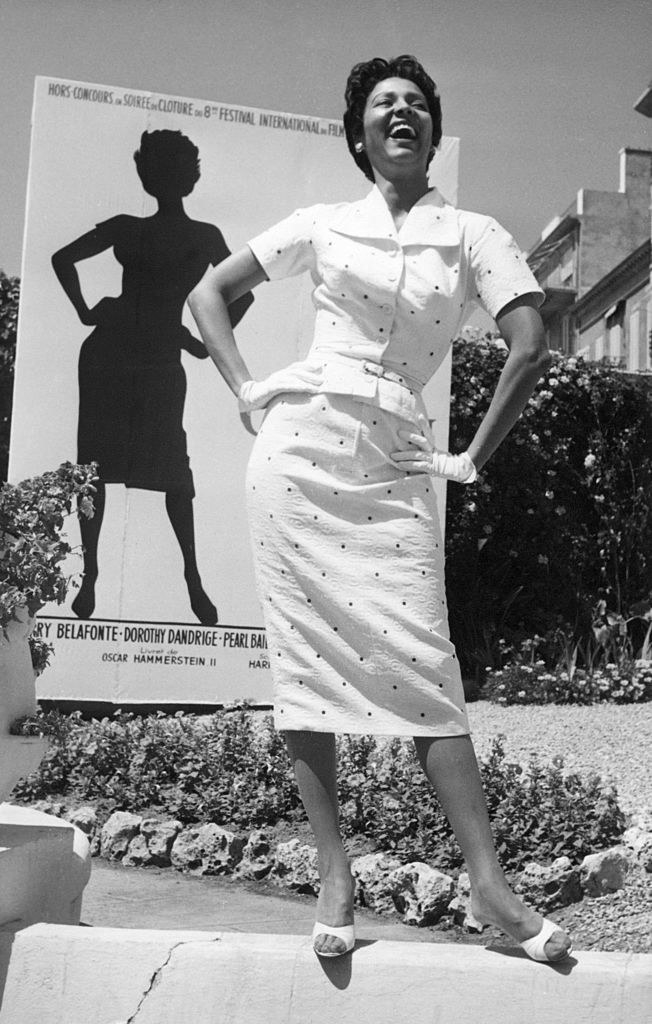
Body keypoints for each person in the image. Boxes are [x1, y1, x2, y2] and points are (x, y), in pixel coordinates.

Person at [188, 55, 572, 962]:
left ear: (433, 130)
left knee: (425, 666)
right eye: (381, 105)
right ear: (358, 133)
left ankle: (486, 883)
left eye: (415, 105)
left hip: (397, 460)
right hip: (296, 454)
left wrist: (468, 457)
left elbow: (530, 342)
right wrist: (249, 393)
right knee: (302, 667)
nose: (399, 115)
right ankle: (334, 870)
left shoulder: (474, 234)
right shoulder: (320, 224)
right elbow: (208, 296)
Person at [52, 130, 252, 625]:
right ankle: (170, 580)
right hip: (145, 352)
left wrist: (86, 312)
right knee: (124, 468)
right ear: (187, 178)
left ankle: (136, 576)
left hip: (123, 350)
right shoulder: (200, 235)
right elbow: (241, 297)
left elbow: (62, 260)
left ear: (149, 175)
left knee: (139, 467)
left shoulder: (132, 228)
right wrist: (204, 342)